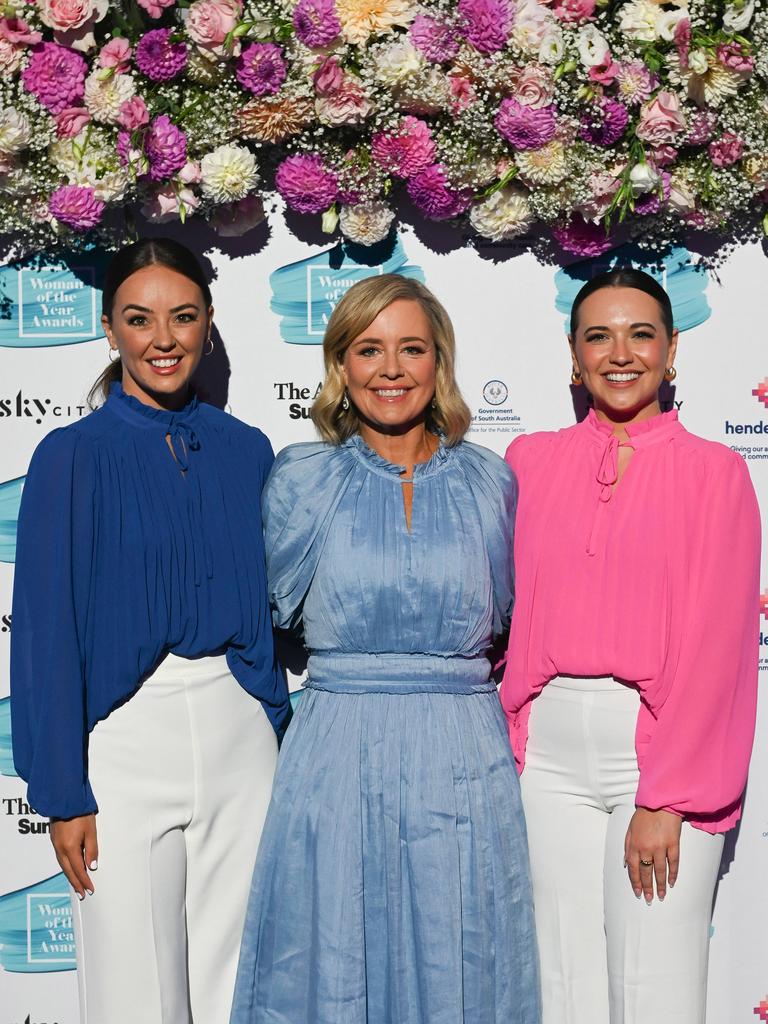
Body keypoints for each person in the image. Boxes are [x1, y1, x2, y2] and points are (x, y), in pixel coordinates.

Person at [230, 274, 541, 1024]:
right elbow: (271, 615)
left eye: (412, 349)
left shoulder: (490, 482)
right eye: (369, 350)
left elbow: (504, 619)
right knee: (332, 954)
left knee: (459, 951)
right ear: (341, 365)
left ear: (440, 364)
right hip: (337, 748)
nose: (392, 369)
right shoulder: (302, 480)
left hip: (462, 752)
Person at [11, 238, 289, 1024]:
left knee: (239, 980)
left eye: (183, 317)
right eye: (139, 320)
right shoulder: (70, 457)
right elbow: (43, 631)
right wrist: (62, 789)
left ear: (208, 324)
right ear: (109, 329)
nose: (163, 339)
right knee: (134, 987)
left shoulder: (247, 450)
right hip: (126, 738)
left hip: (240, 734)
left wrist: (270, 711)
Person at [501, 267, 761, 1024]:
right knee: (562, 982)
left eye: (641, 334)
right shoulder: (528, 462)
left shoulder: (716, 474)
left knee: (655, 986)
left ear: (672, 351)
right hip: (544, 754)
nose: (621, 353)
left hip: (653, 754)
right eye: (599, 336)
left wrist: (668, 796)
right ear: (574, 356)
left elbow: (719, 651)